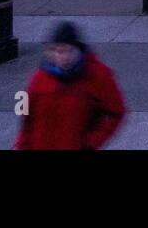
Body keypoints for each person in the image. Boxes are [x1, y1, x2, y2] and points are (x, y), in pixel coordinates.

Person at [15, 21, 126, 150]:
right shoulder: (38, 78)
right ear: (50, 52)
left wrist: (91, 142)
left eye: (69, 50)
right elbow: (26, 118)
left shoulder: (98, 75)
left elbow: (116, 112)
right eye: (58, 51)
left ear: (78, 50)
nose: (64, 57)